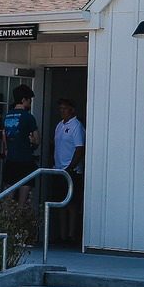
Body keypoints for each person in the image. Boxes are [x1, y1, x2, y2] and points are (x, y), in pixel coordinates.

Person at [52, 97, 85, 244]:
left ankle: (72, 235)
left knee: (72, 204)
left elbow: (79, 148)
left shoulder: (76, 126)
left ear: (72, 110)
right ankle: (62, 234)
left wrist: (71, 167)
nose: (62, 111)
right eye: (60, 109)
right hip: (58, 169)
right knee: (61, 202)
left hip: (71, 170)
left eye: (65, 109)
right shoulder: (59, 125)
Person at [1, 86, 40, 187]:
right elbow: (37, 140)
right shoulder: (28, 117)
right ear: (23, 100)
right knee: (25, 190)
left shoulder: (7, 116)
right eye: (29, 100)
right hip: (25, 160)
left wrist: (6, 149)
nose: (30, 103)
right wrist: (33, 141)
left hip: (10, 159)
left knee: (8, 193)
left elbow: (4, 134)